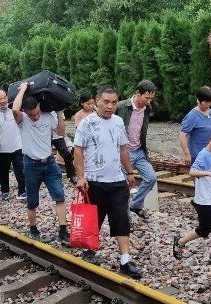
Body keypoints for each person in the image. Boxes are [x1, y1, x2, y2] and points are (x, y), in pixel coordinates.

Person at [73, 86, 143, 279]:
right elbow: (78, 151)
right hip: (94, 181)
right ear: (97, 101)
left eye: (113, 102)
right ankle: (89, 251)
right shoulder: (87, 124)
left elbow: (123, 150)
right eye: (106, 101)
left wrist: (129, 172)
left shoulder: (119, 122)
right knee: (95, 220)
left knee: (122, 220)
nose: (110, 106)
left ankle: (125, 261)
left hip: (117, 181)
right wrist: (81, 177)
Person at [12, 82, 69, 244]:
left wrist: (59, 113)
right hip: (31, 164)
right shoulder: (22, 119)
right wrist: (23, 89)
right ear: (26, 112)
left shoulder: (47, 116)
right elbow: (15, 109)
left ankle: (63, 230)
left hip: (50, 164)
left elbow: (61, 132)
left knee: (59, 196)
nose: (35, 117)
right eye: (32, 115)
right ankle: (33, 228)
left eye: (37, 113)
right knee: (32, 200)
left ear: (39, 107)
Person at [173, 124, 211, 262]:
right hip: (205, 200)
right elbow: (192, 172)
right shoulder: (204, 155)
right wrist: (208, 173)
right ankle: (181, 241)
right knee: (204, 230)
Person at [115, 80, 157, 219]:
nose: (149, 101)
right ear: (137, 94)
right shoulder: (121, 107)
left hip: (139, 151)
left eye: (151, 98)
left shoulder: (147, 109)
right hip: (123, 152)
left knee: (151, 177)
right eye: (147, 98)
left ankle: (136, 204)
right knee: (124, 185)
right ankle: (124, 216)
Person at [0, 90, 26, 201]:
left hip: (17, 146)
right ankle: (5, 191)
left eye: (4, 98)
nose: (3, 100)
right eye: (0, 99)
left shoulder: (13, 111)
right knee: (3, 172)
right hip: (1, 148)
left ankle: (22, 191)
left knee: (20, 170)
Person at [179, 86, 211, 166]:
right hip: (198, 156)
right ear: (198, 100)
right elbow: (182, 135)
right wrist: (187, 154)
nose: (208, 104)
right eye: (205, 102)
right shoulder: (192, 116)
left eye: (210, 102)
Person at [50, 111, 77, 184]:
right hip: (46, 136)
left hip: (58, 136)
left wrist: (67, 139)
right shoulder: (44, 111)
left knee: (67, 155)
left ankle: (71, 175)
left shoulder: (59, 111)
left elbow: (63, 126)